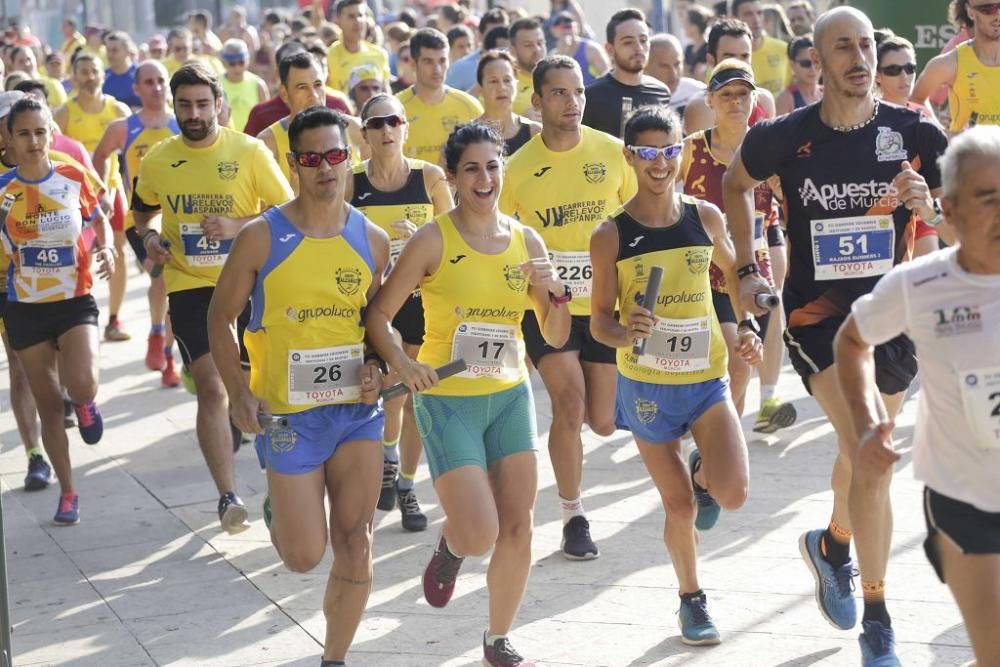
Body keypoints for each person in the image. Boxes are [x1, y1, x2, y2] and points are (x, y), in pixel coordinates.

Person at [721, 7, 950, 665]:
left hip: (891, 317)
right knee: (871, 445)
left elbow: (962, 221)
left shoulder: (912, 133)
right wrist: (744, 269)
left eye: (867, 46)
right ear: (818, 61)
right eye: (843, 47)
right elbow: (738, 183)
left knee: (860, 460)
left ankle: (833, 544)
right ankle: (878, 618)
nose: (860, 57)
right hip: (818, 319)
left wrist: (927, 206)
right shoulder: (783, 136)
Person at [366, 121, 570, 667]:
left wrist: (554, 293)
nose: (485, 178)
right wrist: (403, 364)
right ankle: (453, 547)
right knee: (480, 531)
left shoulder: (528, 240)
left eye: (493, 166)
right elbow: (380, 315)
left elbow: (553, 335)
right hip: (446, 396)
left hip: (509, 394)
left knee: (520, 523)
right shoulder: (434, 237)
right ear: (453, 178)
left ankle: (498, 637)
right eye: (472, 169)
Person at [209, 105, 385, 667]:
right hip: (286, 418)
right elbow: (219, 319)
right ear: (293, 163)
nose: (325, 168)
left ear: (348, 156)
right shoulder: (262, 237)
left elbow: (377, 324)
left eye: (335, 155)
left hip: (356, 413)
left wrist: (379, 367)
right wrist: (238, 391)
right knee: (304, 557)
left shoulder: (372, 239)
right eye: (311, 158)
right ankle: (280, 514)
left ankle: (334, 658)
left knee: (356, 541)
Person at [834, 124, 1000, 667]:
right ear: (948, 209)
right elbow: (852, 340)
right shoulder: (919, 285)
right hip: (962, 497)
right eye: (987, 198)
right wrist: (864, 424)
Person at [591, 104, 756, 646]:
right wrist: (625, 328)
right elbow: (598, 323)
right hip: (645, 387)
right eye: (647, 153)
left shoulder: (705, 216)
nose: (659, 163)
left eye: (669, 151)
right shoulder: (610, 235)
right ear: (629, 157)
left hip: (706, 376)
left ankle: (703, 471)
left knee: (731, 493)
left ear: (682, 151)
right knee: (679, 505)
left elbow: (736, 277)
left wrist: (748, 328)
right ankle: (691, 598)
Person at [131, 62, 293, 535]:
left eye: (203, 104)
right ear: (174, 107)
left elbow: (285, 214)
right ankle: (227, 496)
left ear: (219, 103)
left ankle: (279, 486)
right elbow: (142, 216)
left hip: (247, 281)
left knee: (256, 391)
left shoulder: (248, 151)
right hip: (189, 285)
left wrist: (238, 227)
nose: (195, 113)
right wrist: (150, 241)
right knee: (212, 387)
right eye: (185, 105)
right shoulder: (159, 159)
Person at [501, 55, 636, 560]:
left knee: (602, 421)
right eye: (558, 93)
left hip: (601, 302)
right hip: (546, 308)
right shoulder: (517, 168)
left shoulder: (612, 152)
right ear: (536, 101)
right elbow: (500, 237)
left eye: (577, 91)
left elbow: (636, 218)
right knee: (570, 404)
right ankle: (572, 514)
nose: (571, 102)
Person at [0, 97, 115, 525]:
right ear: (8, 141)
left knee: (82, 383)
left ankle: (86, 402)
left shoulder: (71, 174)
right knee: (49, 406)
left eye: (40, 132)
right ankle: (68, 491)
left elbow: (98, 214)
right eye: (23, 133)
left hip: (73, 299)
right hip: (25, 307)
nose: (33, 141)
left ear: (51, 133)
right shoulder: (3, 191)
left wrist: (105, 247)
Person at [345, 94, 452, 531]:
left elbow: (455, 233)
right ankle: (387, 460)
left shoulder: (428, 178)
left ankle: (406, 484)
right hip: (375, 303)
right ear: (364, 134)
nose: (387, 130)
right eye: (377, 123)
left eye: (394, 121)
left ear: (406, 127)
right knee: (391, 390)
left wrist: (423, 240)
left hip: (423, 301)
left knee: (416, 396)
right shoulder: (352, 183)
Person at [680, 59, 796, 432]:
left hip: (751, 271)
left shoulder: (769, 147)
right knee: (733, 359)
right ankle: (714, 439)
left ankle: (724, 442)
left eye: (743, 94)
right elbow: (656, 194)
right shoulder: (690, 150)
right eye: (726, 95)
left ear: (755, 99)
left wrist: (783, 188)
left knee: (741, 367)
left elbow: (792, 206)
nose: (735, 102)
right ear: (710, 100)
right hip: (701, 274)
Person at [92, 60, 182, 387]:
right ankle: (159, 338)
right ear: (136, 88)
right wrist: (105, 187)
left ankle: (167, 350)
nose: (156, 87)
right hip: (139, 220)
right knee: (160, 276)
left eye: (161, 80)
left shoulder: (180, 124)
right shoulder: (123, 128)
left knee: (172, 286)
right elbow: (100, 156)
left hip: (176, 217)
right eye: (149, 82)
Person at [54, 53, 132, 344]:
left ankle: (114, 319)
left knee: (118, 253)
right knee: (79, 257)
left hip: (111, 193)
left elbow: (122, 160)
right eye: (83, 72)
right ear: (73, 77)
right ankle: (74, 321)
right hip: (76, 198)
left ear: (103, 74)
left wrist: (111, 192)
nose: (89, 77)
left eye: (94, 71)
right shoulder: (63, 113)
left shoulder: (118, 110)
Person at [0, 91, 54, 493]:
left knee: (56, 367)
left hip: (60, 283)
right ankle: (35, 453)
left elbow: (93, 211)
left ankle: (74, 403)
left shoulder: (61, 164)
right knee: (18, 365)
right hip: (9, 284)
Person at [912, 0, 1000, 133]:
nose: (998, 15)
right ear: (970, 12)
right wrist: (943, 134)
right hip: (969, 152)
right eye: (988, 9)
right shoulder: (951, 62)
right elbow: (915, 101)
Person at [398, 29, 482, 166]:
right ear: (413, 64)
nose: (437, 69)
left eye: (442, 61)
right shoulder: (396, 109)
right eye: (428, 62)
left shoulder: (470, 107)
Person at [581, 9, 670, 139]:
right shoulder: (589, 96)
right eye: (628, 42)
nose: (639, 47)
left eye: (643, 40)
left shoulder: (661, 92)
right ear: (610, 49)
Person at [683, 19, 776, 136]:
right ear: (711, 60)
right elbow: (700, 153)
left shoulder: (764, 100)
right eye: (729, 56)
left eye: (744, 56)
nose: (738, 63)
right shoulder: (701, 107)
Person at [244, 41, 351, 137]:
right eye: (302, 87)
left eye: (303, 59)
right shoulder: (262, 116)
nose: (313, 94)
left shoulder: (341, 109)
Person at [258, 52, 326, 194]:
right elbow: (263, 210)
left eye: (318, 84)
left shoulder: (352, 131)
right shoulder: (268, 144)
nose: (313, 95)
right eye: (302, 87)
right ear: (284, 93)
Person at [476, 50, 541, 157]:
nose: (502, 88)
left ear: (516, 84)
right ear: (480, 88)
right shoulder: (464, 135)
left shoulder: (536, 133)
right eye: (493, 81)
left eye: (507, 80)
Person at [327, 0, 392, 94]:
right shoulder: (329, 55)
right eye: (351, 16)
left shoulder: (380, 54)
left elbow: (386, 93)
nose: (358, 21)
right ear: (338, 21)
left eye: (360, 15)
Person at [731, 0, 792, 96]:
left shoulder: (783, 48)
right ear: (734, 19)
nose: (756, 19)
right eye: (748, 14)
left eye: (759, 13)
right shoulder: (727, 56)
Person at [445, 8, 510, 92]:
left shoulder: (519, 66)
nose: (498, 38)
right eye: (491, 33)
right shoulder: (461, 68)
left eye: (503, 32)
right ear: (480, 35)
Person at [647, 34, 706, 117]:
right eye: (664, 66)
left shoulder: (700, 93)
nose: (673, 73)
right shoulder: (637, 97)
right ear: (646, 66)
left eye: (677, 64)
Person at [219, 39, 269, 138]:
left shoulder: (258, 85)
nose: (237, 68)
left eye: (241, 62)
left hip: (252, 142)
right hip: (226, 140)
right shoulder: (216, 84)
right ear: (224, 63)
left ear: (248, 60)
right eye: (232, 63)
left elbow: (266, 118)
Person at [549, 11, 609, 86]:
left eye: (568, 26)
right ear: (553, 31)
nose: (565, 30)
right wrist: (563, 54)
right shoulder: (553, 55)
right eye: (560, 27)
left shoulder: (591, 49)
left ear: (577, 27)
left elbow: (607, 76)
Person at [506, 18, 548, 121]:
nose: (537, 49)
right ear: (512, 49)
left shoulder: (560, 78)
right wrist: (519, 122)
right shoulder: (504, 84)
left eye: (540, 43)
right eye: (528, 45)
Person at [775, 35, 822, 115]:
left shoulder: (827, 93)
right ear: (792, 65)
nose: (812, 68)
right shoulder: (786, 99)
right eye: (805, 63)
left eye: (816, 62)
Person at [102, 31, 140, 109]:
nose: (110, 55)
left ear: (128, 51)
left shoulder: (141, 75)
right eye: (108, 50)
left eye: (115, 50)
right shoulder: (102, 77)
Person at [684, 4, 713, 81]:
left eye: (686, 23)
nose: (684, 26)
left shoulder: (709, 49)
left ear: (695, 26)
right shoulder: (688, 49)